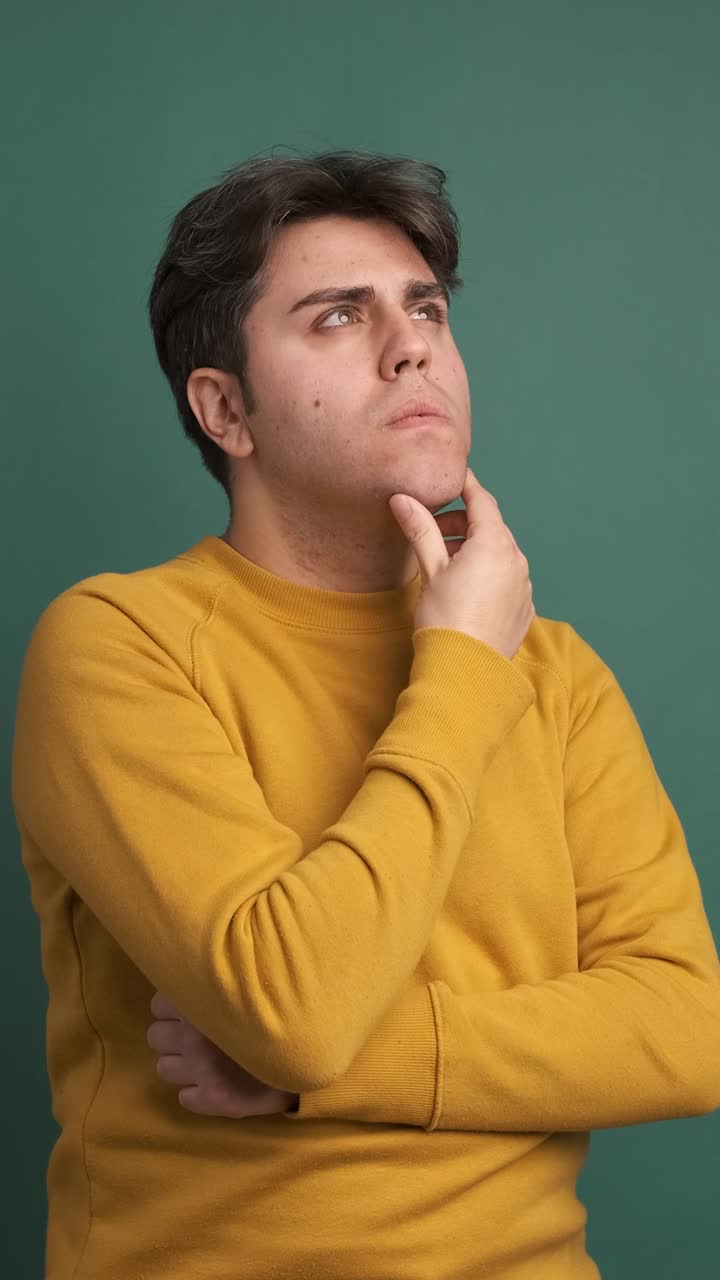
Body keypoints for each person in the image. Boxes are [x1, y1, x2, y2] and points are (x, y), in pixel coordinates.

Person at [11, 148, 720, 1280]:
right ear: (226, 408)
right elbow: (290, 1006)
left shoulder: (560, 672)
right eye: (339, 316)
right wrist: (461, 670)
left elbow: (686, 1029)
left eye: (426, 307)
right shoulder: (115, 643)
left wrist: (335, 1070)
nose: (413, 343)